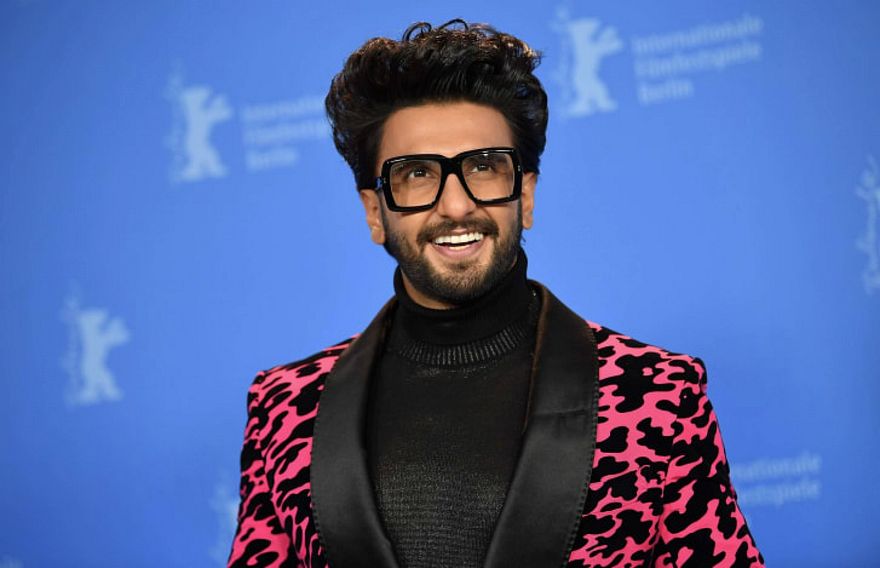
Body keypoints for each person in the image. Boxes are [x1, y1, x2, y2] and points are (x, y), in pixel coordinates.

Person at [227, 20, 764, 568]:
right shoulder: (286, 410)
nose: (456, 205)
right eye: (417, 174)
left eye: (483, 167)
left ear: (524, 195)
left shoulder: (657, 394)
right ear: (374, 212)